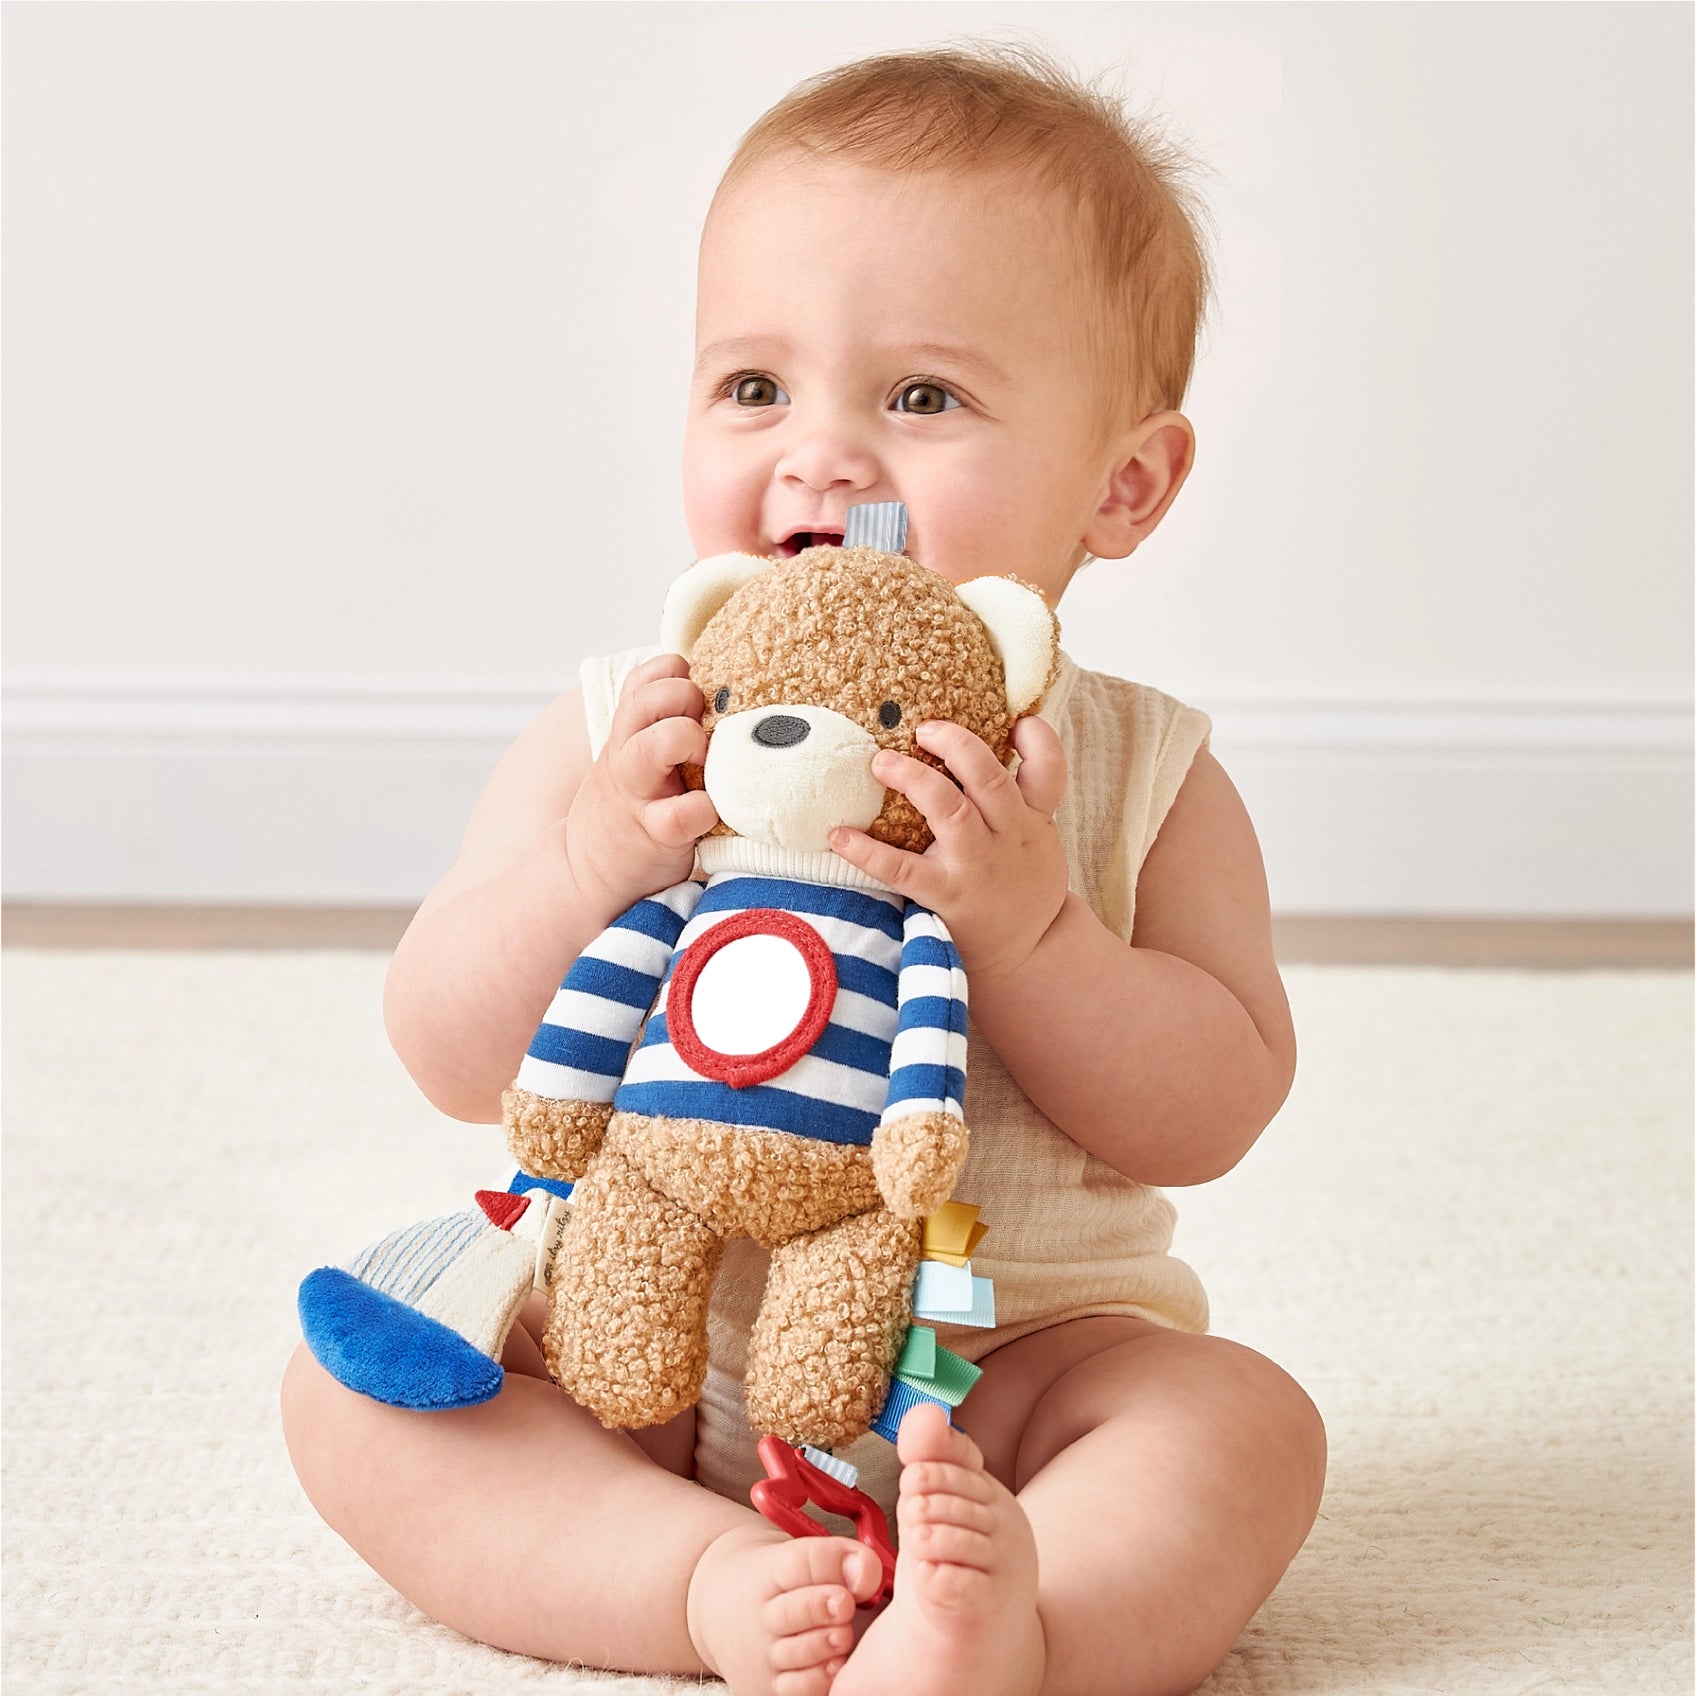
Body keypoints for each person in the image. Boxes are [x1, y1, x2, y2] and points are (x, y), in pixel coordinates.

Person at [281, 42, 1326, 1696]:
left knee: (1241, 1425)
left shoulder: (1145, 773)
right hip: (644, 1342)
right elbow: (448, 1049)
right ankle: (700, 1580)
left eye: (923, 398)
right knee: (358, 1388)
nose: (822, 456)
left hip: (1001, 1377)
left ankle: (1017, 1627)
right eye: (756, 387)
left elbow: (1213, 1107)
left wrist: (1034, 930)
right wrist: (591, 859)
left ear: (1123, 484)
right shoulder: (628, 728)